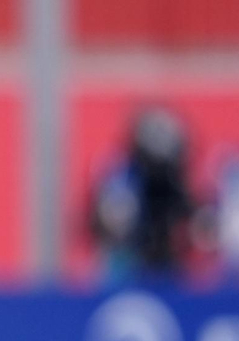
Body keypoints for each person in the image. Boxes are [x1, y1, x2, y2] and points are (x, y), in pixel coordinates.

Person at [89, 105, 208, 284]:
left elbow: (194, 220)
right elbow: (108, 225)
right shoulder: (123, 178)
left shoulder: (174, 184)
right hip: (128, 270)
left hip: (168, 271)